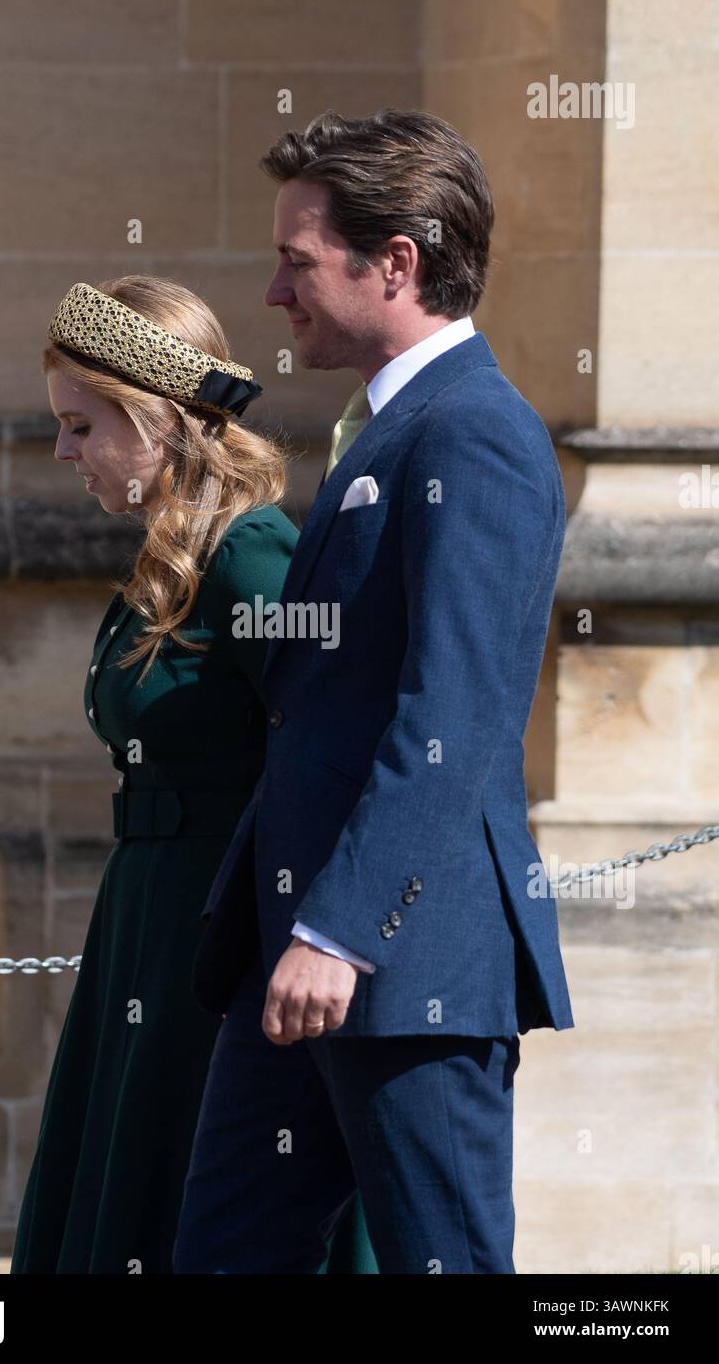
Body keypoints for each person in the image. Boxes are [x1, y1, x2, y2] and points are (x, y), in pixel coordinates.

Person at [174, 109, 576, 1275]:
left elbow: (453, 714)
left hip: (402, 967)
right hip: (298, 958)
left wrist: (341, 931)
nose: (273, 293)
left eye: (296, 262)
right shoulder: (394, 428)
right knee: (222, 1254)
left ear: (393, 261)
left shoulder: (473, 433)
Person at [10, 274, 378, 1274]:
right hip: (145, 918)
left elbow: (343, 737)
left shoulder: (249, 554)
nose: (63, 452)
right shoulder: (166, 560)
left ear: (160, 422)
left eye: (81, 426)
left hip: (216, 925)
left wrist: (324, 931)